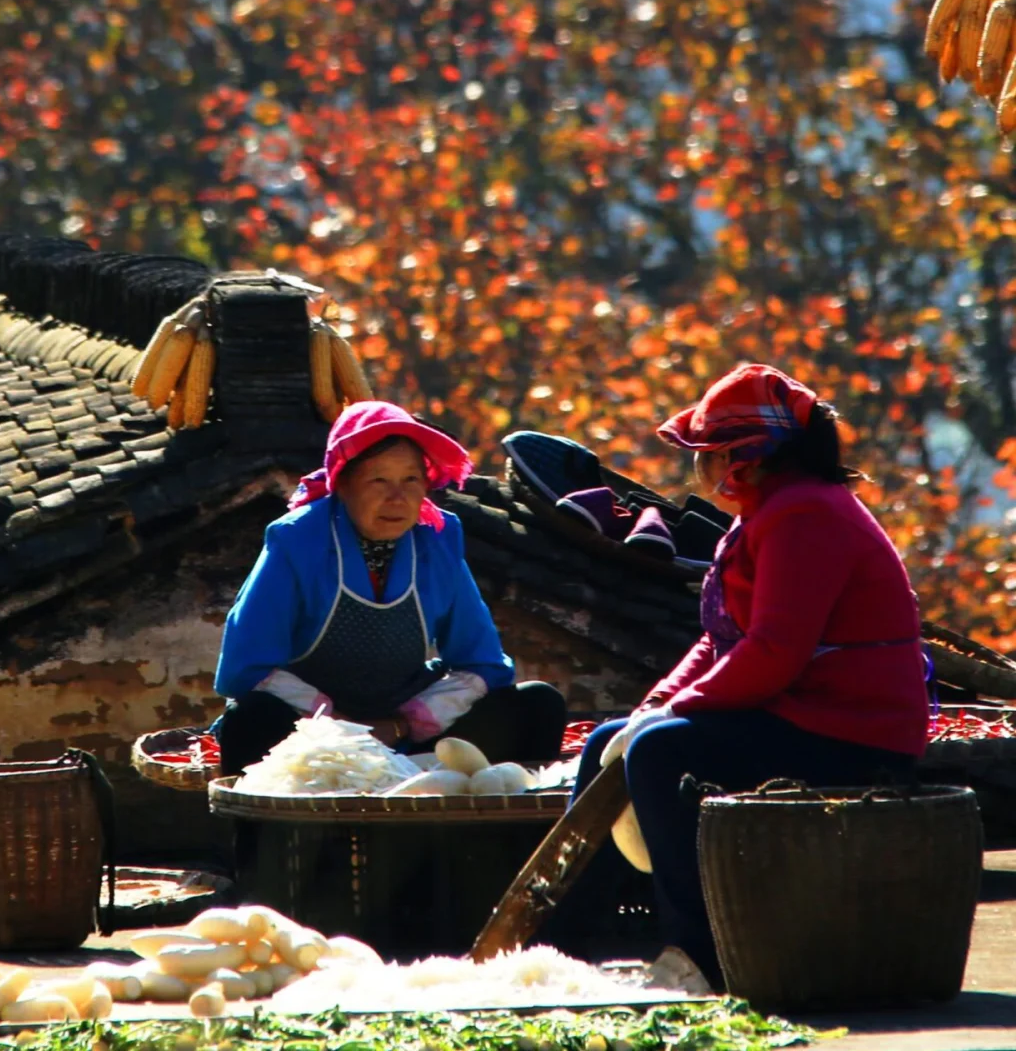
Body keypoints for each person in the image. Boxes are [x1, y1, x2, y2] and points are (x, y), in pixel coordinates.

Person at [563, 363, 929, 987]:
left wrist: (671, 717)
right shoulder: (764, 512)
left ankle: (700, 954)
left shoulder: (806, 515)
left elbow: (774, 653)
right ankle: (568, 944)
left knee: (655, 753)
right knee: (609, 744)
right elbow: (720, 638)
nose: (699, 469)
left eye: (708, 454)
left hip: (850, 731)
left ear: (745, 456)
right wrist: (657, 701)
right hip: (797, 712)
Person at [215, 400, 566, 775]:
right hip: (311, 733)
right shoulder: (297, 540)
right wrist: (344, 730)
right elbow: (245, 668)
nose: (397, 498)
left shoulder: (437, 540)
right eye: (379, 480)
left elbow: (484, 663)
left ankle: (495, 831)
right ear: (343, 484)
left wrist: (404, 724)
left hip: (408, 733)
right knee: (250, 718)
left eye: (411, 480)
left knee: (538, 704)